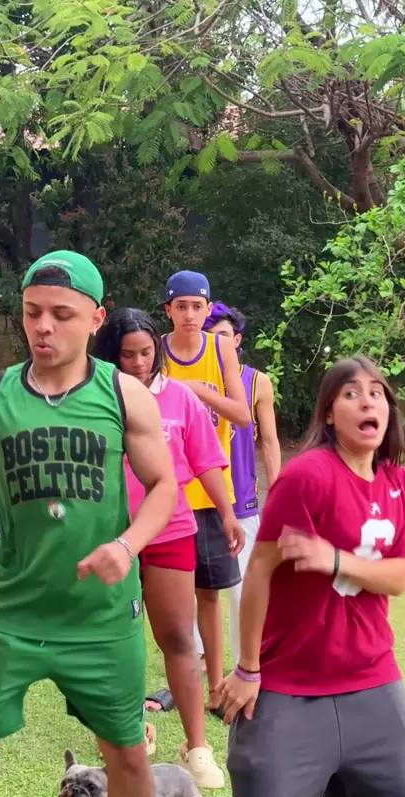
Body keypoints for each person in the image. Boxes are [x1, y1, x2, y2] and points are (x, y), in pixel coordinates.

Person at [0, 251, 177, 797]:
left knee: (127, 754)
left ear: (96, 318)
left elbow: (165, 485)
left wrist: (127, 545)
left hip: (101, 617)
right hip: (11, 612)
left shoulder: (124, 394)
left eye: (61, 314)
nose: (43, 326)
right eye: (32, 312)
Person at [221, 356, 405, 797]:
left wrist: (335, 559)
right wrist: (248, 668)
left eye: (376, 392)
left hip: (372, 675)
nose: (367, 401)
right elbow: (260, 571)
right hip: (288, 681)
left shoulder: (401, 482)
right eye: (351, 393)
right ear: (329, 414)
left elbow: (399, 577)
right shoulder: (306, 477)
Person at [92, 307, 245, 788]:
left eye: (146, 353)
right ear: (110, 355)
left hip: (171, 532)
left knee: (179, 637)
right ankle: (132, 730)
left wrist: (227, 513)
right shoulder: (94, 399)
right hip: (109, 536)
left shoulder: (179, 397)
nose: (139, 363)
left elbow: (206, 462)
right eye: (128, 355)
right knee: (117, 638)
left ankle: (197, 747)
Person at [161, 271, 250, 717]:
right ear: (168, 310)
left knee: (210, 594)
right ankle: (181, 680)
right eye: (181, 306)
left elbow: (242, 414)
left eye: (197, 306)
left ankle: (216, 687)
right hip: (166, 495)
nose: (190, 314)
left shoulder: (219, 349)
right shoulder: (156, 350)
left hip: (213, 492)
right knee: (167, 598)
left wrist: (197, 391)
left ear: (208, 309)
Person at [194, 302, 281, 664]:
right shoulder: (188, 377)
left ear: (237, 340)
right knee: (197, 593)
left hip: (241, 501)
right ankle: (196, 665)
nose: (216, 343)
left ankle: (246, 667)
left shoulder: (256, 382)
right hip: (195, 502)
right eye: (209, 337)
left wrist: (278, 496)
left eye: (223, 336)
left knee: (243, 592)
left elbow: (270, 442)